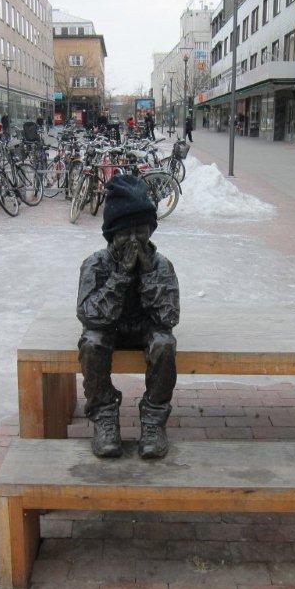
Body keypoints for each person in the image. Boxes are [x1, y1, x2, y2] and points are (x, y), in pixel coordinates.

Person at [77, 175, 180, 459]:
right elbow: (90, 316)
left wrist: (147, 275)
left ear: (150, 231)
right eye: (125, 233)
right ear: (112, 235)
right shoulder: (95, 264)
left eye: (141, 231)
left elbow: (168, 317)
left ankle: (153, 422)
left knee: (164, 344)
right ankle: (104, 417)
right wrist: (121, 276)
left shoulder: (161, 265)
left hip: (145, 328)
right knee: (92, 343)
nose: (134, 240)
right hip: (109, 328)